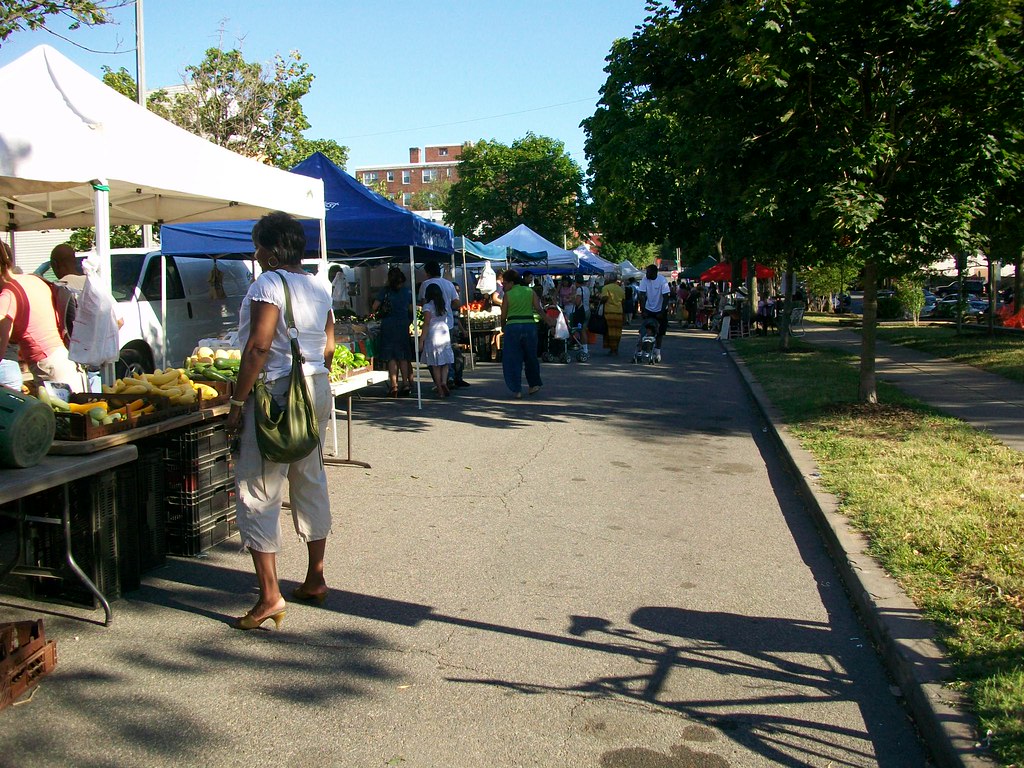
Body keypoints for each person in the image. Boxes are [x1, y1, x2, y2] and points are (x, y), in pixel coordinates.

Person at [224, 211, 335, 631]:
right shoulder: (318, 286)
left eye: (258, 246)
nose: (255, 254)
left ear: (271, 251)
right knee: (310, 477)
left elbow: (258, 346)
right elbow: (328, 344)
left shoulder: (267, 284)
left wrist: (237, 403)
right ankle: (315, 577)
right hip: (316, 386)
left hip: (277, 393)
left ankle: (270, 596)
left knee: (258, 488)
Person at [0, 241, 85, 392]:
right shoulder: (34, 279)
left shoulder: (8, 295)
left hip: (49, 368)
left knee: (63, 408)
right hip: (63, 359)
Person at [419, 261, 470, 388]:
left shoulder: (425, 284)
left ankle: (439, 383)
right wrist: (445, 306)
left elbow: (423, 302)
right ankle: (449, 378)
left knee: (433, 356)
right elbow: (457, 303)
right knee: (448, 352)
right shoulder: (449, 284)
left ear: (427, 272)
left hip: (432, 327)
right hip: (448, 324)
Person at [500, 268, 547, 399]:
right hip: (529, 326)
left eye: (505, 283)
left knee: (513, 358)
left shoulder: (508, 295)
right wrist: (549, 321)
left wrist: (503, 327)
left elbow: (503, 315)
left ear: (511, 283)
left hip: (512, 327)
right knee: (531, 356)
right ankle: (533, 385)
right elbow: (539, 309)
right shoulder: (530, 291)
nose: (503, 286)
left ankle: (517, 389)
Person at [371, 267, 414, 397]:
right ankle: (405, 384)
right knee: (403, 356)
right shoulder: (407, 291)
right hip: (402, 324)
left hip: (388, 324)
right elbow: (411, 309)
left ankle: (394, 385)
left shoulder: (385, 291)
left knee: (391, 356)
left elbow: (374, 307)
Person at [420, 282, 454, 397]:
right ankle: (444, 381)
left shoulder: (427, 306)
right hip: (444, 331)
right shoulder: (443, 305)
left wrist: (421, 339)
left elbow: (426, 323)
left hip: (433, 332)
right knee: (445, 361)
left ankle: (439, 387)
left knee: (435, 364)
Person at [638, 264, 670, 362]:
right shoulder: (644, 280)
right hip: (648, 309)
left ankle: (657, 351)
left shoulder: (662, 280)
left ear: (654, 272)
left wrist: (662, 311)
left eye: (648, 272)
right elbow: (642, 295)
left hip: (660, 309)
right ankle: (641, 349)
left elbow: (666, 297)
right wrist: (643, 310)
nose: (646, 274)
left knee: (660, 332)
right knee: (645, 330)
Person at [600, 275, 625, 355]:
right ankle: (616, 348)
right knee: (617, 331)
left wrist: (601, 301)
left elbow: (605, 298)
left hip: (609, 312)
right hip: (619, 312)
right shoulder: (620, 289)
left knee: (609, 331)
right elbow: (623, 301)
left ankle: (612, 348)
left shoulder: (606, 288)